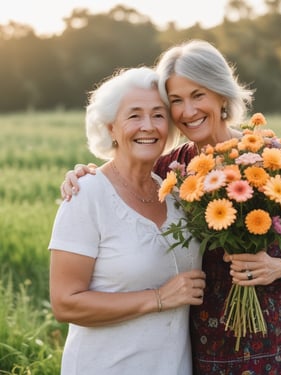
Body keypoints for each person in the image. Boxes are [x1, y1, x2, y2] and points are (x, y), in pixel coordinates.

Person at [60, 40, 281, 375]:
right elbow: (124, 178)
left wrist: (278, 269)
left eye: (198, 95)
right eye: (175, 100)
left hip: (276, 348)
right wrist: (83, 174)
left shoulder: (276, 161)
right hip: (202, 353)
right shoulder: (173, 169)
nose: (187, 111)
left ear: (221, 95)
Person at [49, 66, 206, 375]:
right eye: (134, 115)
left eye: (158, 115)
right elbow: (65, 303)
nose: (148, 126)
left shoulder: (176, 195)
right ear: (111, 127)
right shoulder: (86, 194)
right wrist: (158, 298)